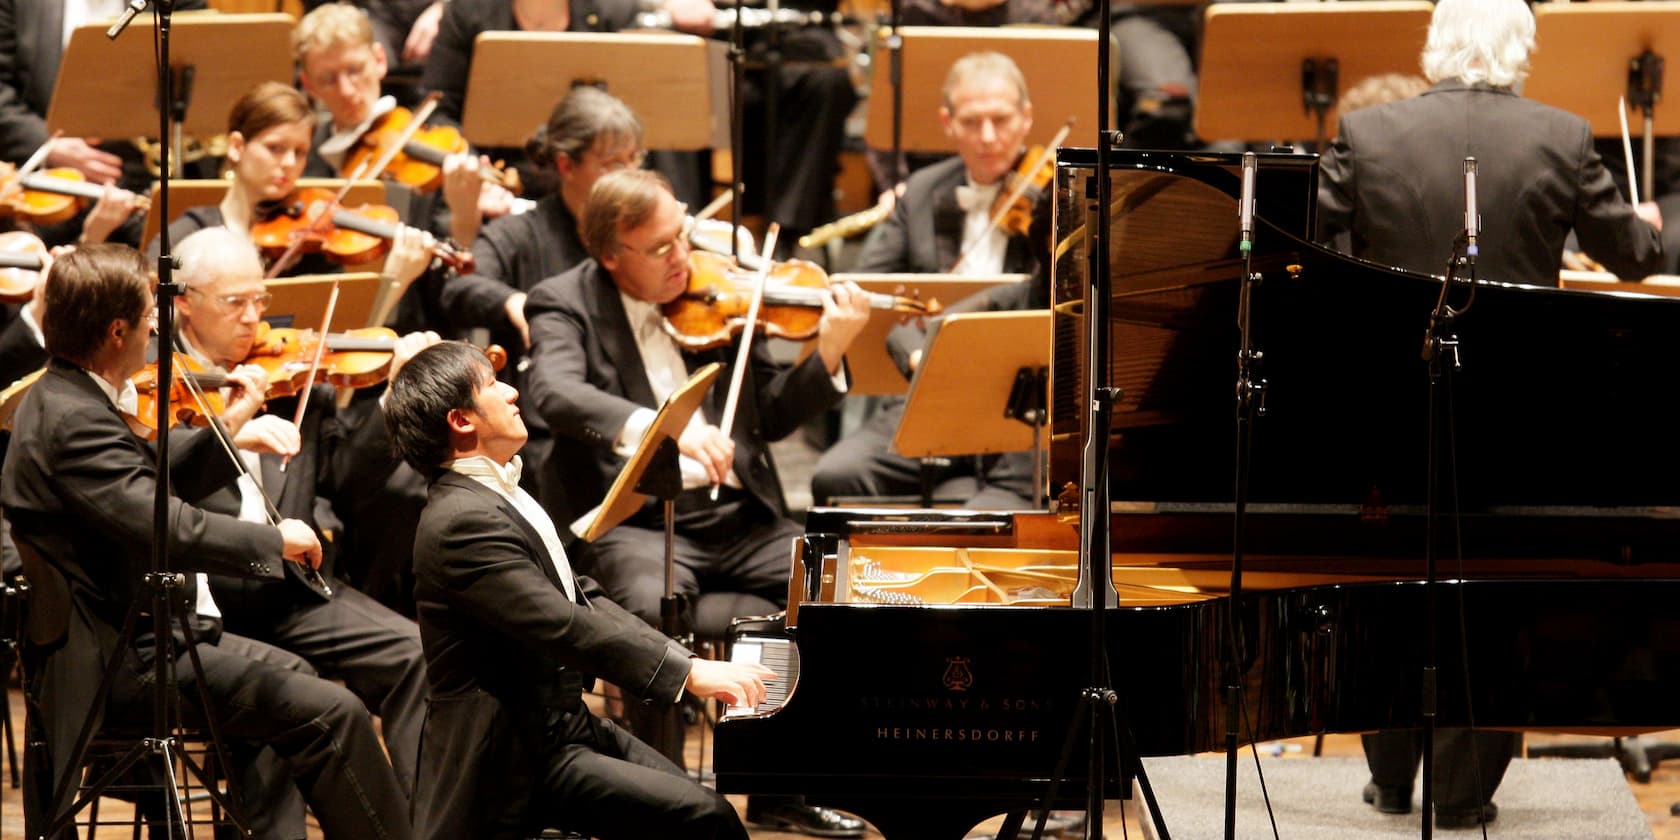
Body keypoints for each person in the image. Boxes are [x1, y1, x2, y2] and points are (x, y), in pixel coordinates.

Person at [1316, 0, 1664, 829]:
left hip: (1391, 407)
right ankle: (1466, 793)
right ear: (1523, 50)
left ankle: (1391, 778)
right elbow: (1632, 255)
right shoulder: (1565, 135)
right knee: (1494, 595)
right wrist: (1646, 227)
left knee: (1392, 586)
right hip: (1520, 417)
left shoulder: (1366, 136)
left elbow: (1313, 255)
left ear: (1435, 46)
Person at [0, 243, 412, 839]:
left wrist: (233, 428)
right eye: (148, 319)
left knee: (300, 678)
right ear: (117, 331)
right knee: (335, 712)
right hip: (121, 664)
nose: (154, 331)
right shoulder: (76, 419)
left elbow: (147, 481)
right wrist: (275, 541)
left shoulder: (68, 398)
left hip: (138, 638)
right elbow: (166, 525)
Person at [523, 168, 870, 838]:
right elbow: (556, 393)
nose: (683, 256)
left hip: (736, 515)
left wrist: (829, 353)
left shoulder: (716, 291)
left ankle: (781, 787)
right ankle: (663, 803)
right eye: (660, 249)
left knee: (830, 582)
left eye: (682, 236)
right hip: (639, 522)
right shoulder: (561, 301)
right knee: (651, 613)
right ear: (610, 256)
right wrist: (664, 426)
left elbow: (766, 415)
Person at [385, 339, 771, 840]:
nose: (512, 391)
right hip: (509, 756)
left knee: (702, 812)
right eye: (492, 385)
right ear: (462, 421)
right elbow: (563, 624)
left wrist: (681, 660)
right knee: (703, 819)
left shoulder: (495, 493)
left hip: (557, 724)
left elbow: (580, 595)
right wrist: (688, 672)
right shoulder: (461, 523)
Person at [169, 226, 432, 797]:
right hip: (209, 596)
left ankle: (422, 826)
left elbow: (349, 481)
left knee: (416, 655)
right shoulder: (161, 385)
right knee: (281, 692)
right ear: (184, 303)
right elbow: (156, 486)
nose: (253, 316)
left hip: (290, 587)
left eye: (259, 298)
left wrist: (392, 399)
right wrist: (233, 431)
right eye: (234, 301)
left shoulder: (289, 373)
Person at [419, 0, 857, 250]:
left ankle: (670, 237)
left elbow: (641, 107)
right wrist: (473, 168)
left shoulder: (610, 8)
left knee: (667, 115)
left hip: (600, 175)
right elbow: (438, 107)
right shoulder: (468, 12)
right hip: (508, 177)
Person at [812, 51, 1043, 508]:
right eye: (972, 122)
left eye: (1001, 119)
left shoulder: (1055, 196)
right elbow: (871, 289)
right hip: (928, 389)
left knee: (993, 512)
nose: (988, 137)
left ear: (1026, 118)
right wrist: (916, 349)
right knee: (836, 476)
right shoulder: (921, 192)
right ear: (948, 123)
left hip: (1023, 403)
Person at [442, 86, 645, 502]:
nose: (628, 175)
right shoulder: (522, 232)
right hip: (552, 436)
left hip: (634, 412)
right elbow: (459, 286)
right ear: (567, 164)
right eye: (612, 164)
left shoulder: (642, 233)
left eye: (634, 160)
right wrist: (513, 300)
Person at [293, 2, 514, 248]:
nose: (346, 90)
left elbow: (450, 253)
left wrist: (466, 211)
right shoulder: (301, 160)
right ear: (309, 85)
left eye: (355, 70)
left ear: (379, 59)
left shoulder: (435, 147)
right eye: (328, 79)